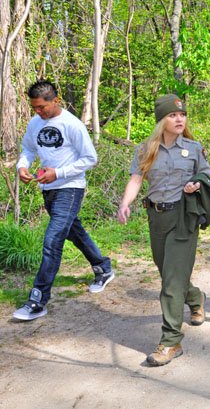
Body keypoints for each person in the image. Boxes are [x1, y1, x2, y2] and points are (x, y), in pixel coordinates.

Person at [117, 94, 210, 366]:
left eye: (182, 115)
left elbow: (206, 175)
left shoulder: (194, 148)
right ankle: (195, 298)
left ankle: (171, 342)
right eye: (173, 115)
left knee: (171, 282)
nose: (179, 119)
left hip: (184, 217)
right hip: (156, 217)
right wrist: (125, 204)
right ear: (162, 120)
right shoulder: (145, 149)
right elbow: (136, 179)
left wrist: (196, 183)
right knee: (169, 272)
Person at [13, 80, 114, 321]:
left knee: (53, 240)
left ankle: (37, 300)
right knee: (73, 231)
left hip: (70, 188)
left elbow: (90, 158)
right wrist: (22, 166)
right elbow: (28, 149)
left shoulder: (72, 124)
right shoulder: (35, 123)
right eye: (34, 108)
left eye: (42, 107)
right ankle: (103, 267)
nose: (38, 112)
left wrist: (58, 173)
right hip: (48, 189)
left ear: (55, 101)